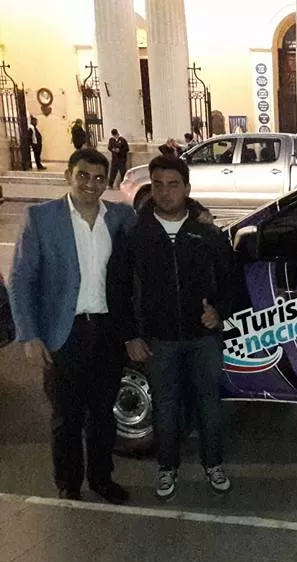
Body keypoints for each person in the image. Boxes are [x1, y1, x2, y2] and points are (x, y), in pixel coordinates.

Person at [108, 154, 239, 501]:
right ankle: (168, 468)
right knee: (165, 407)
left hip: (203, 338)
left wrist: (220, 311)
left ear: (187, 188)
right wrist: (130, 334)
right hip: (158, 340)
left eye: (174, 185)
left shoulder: (206, 231)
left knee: (209, 404)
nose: (166, 193)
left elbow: (232, 280)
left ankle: (214, 465)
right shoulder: (135, 233)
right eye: (159, 185)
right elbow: (117, 287)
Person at [8, 149, 135, 504]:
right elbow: (20, 280)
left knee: (103, 414)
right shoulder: (41, 218)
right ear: (68, 175)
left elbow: (158, 228)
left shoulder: (121, 217)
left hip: (107, 331)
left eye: (98, 178)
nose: (90, 184)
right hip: (64, 333)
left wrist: (199, 216)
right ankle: (68, 483)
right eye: (83, 175)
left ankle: (101, 479)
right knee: (66, 415)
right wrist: (30, 335)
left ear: (106, 182)